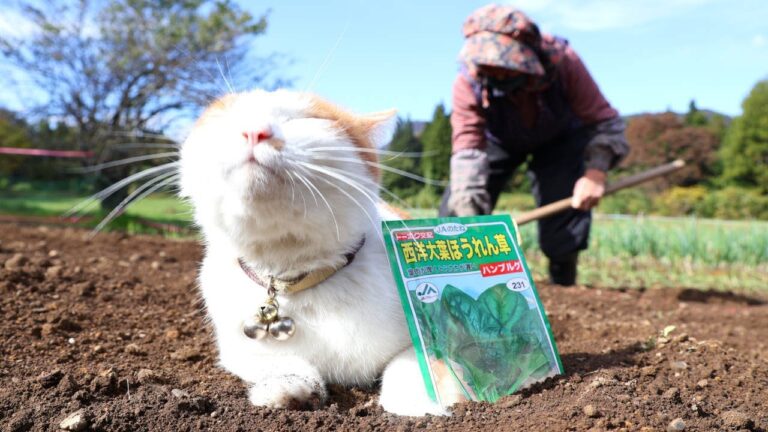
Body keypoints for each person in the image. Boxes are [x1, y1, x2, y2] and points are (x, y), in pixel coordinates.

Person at [439, 4, 630, 286]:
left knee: (564, 221)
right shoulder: (468, 82)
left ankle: (564, 285)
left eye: (504, 68)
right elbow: (468, 147)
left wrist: (595, 173)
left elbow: (605, 123)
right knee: (455, 212)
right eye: (489, 68)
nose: (498, 75)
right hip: (497, 140)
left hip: (559, 139)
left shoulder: (564, 63)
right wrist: (469, 214)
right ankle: (459, 281)